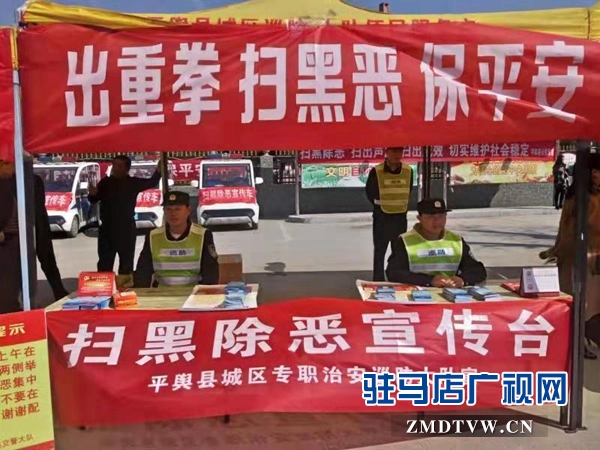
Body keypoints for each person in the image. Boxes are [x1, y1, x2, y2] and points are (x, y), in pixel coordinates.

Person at [541, 153, 600, 359]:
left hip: (588, 257)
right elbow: (570, 230)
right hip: (583, 258)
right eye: (596, 171)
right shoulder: (582, 198)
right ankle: (578, 341)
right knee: (583, 303)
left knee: (589, 303)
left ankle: (584, 338)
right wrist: (558, 250)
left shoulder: (585, 195)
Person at [0, 160, 68, 314]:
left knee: (45, 262)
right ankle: (24, 303)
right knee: (18, 269)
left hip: (35, 227)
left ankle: (57, 292)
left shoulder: (32, 180)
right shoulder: (16, 181)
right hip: (22, 231)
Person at [89, 156, 161, 280]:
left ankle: (125, 289)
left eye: (119, 166)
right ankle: (105, 288)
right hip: (107, 230)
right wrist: (92, 194)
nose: (115, 168)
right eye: (114, 165)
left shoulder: (132, 183)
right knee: (104, 264)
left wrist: (159, 171)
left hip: (126, 229)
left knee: (126, 265)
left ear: (127, 169)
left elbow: (151, 182)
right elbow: (94, 200)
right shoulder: (105, 182)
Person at [386, 198, 487, 287]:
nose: (437, 221)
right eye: (430, 217)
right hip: (418, 294)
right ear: (419, 218)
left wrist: (462, 280)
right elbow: (394, 273)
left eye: (441, 216)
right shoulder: (405, 241)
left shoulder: (456, 241)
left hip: (451, 294)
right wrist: (429, 280)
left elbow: (478, 271)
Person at [134, 191, 219, 287]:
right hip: (162, 293)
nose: (173, 213)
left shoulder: (203, 235)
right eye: (168, 209)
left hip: (193, 292)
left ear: (188, 210)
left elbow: (210, 273)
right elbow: (143, 272)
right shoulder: (153, 236)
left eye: (178, 209)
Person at [366, 147, 413, 281]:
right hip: (382, 216)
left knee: (398, 250)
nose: (397, 155)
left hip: (400, 217)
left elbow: (409, 190)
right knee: (380, 250)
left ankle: (396, 277)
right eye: (394, 151)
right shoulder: (377, 171)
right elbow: (370, 192)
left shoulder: (408, 170)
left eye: (400, 151)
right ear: (386, 152)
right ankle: (378, 279)